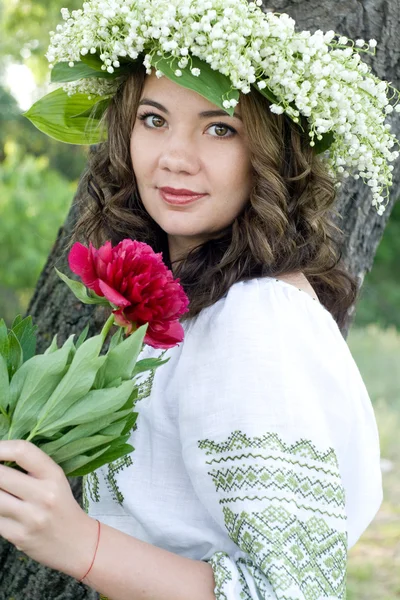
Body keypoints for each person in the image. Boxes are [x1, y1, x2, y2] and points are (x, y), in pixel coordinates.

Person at [0, 1, 395, 599]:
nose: (174, 158)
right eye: (154, 119)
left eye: (219, 128)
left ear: (272, 151)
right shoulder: (201, 301)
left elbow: (295, 592)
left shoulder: (255, 319)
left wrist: (80, 543)